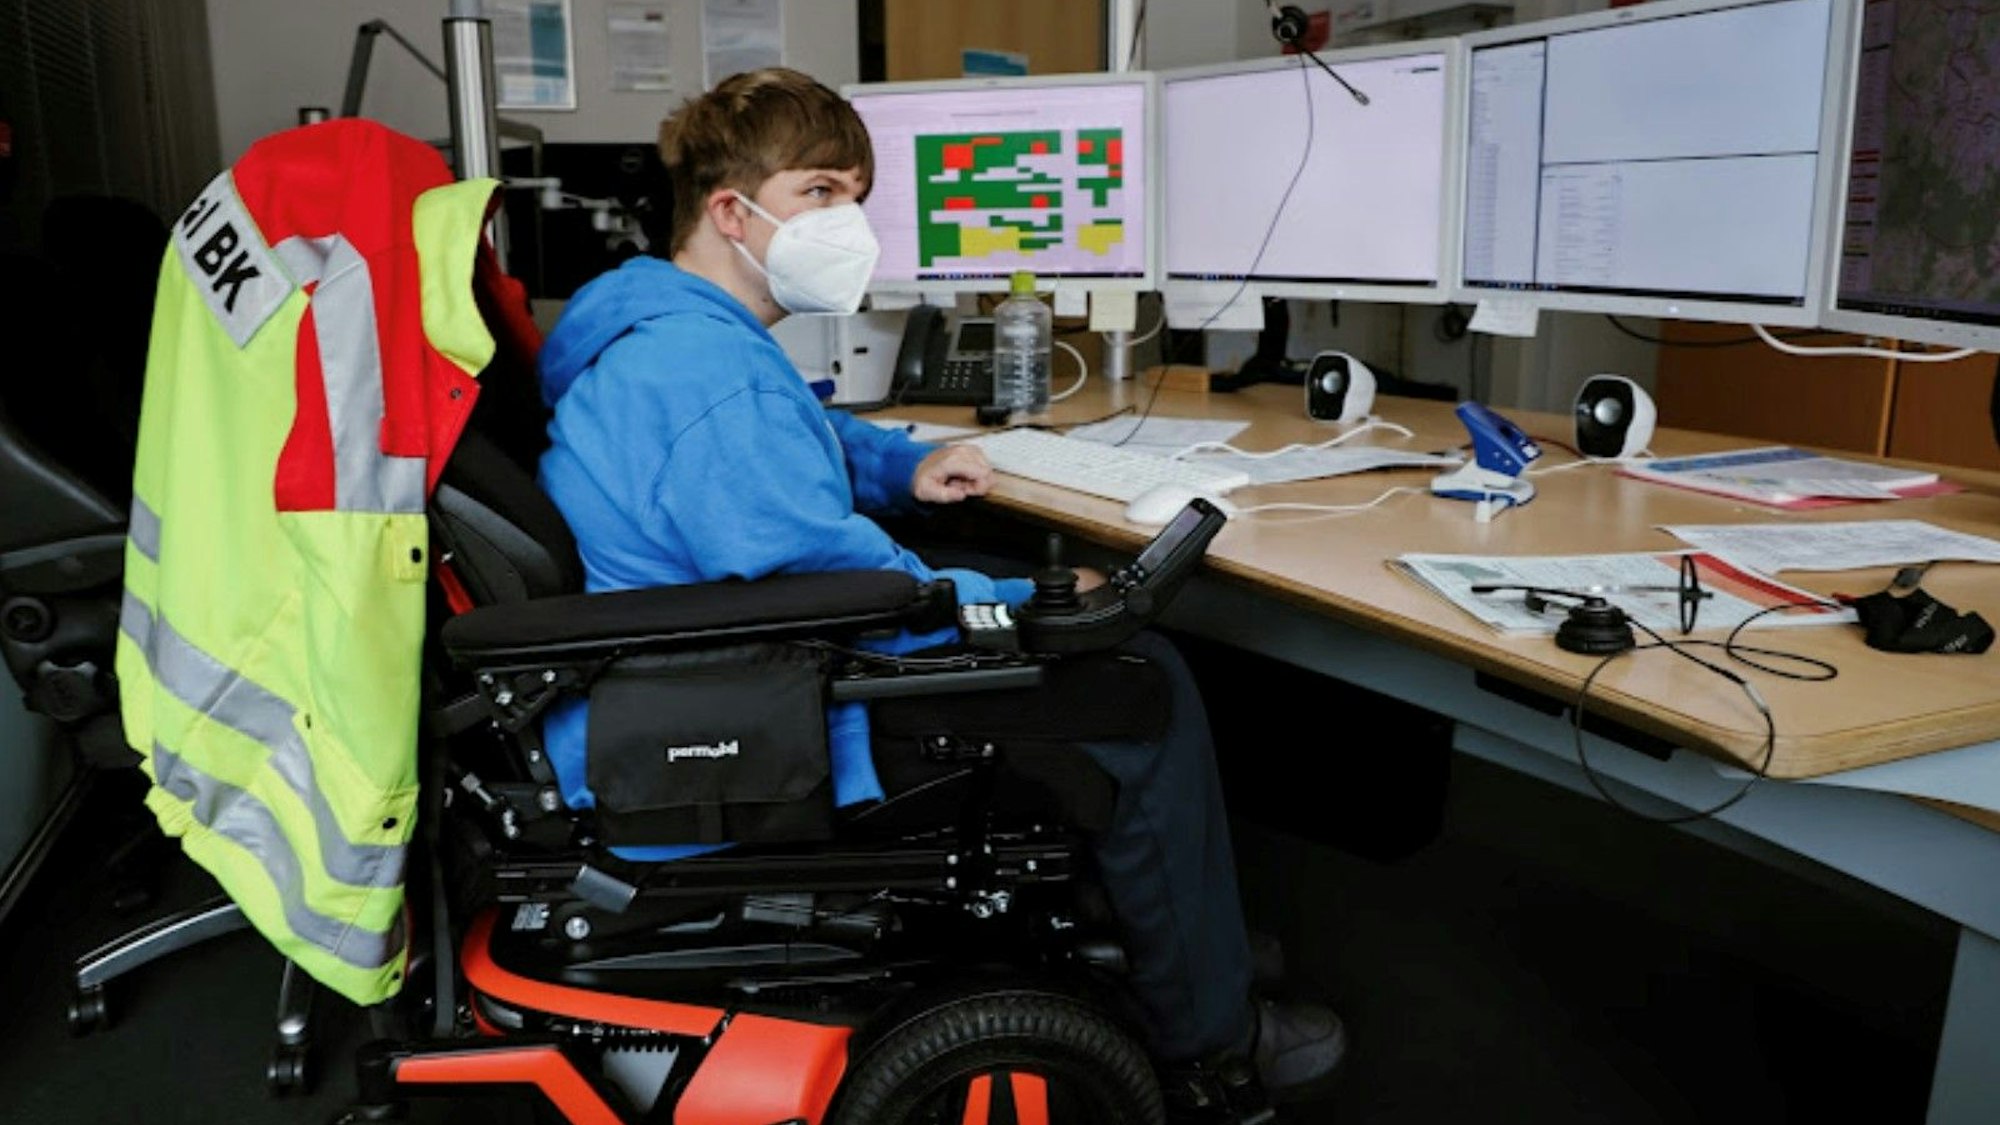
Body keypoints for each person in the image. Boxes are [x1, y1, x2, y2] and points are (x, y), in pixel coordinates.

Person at [533, 66, 1345, 1105]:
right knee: (1137, 678)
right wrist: (1022, 610)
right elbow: (840, 585)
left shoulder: (661, 327)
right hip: (746, 694)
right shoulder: (705, 373)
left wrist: (893, 466)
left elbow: (789, 446)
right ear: (731, 211)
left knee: (1053, 609)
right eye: (819, 193)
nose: (850, 220)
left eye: (855, 194)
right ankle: (1209, 1038)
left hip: (703, 658)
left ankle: (1189, 940)